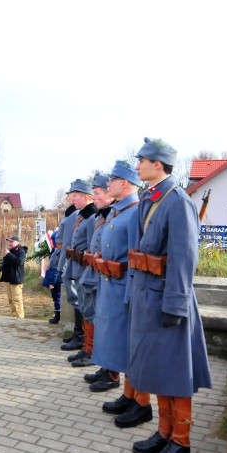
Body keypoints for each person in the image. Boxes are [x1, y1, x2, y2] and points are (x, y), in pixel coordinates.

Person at [127, 137, 212, 453]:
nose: (138, 166)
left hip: (167, 298)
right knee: (160, 369)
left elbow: (184, 257)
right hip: (149, 296)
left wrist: (175, 305)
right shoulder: (152, 197)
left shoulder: (177, 201)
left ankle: (181, 441)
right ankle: (163, 432)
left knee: (176, 373)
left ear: (157, 165)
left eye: (142, 161)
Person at [91, 160, 152, 428]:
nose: (109, 185)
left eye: (112, 181)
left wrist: (131, 295)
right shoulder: (119, 211)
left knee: (132, 348)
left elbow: (136, 259)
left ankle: (141, 401)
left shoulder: (135, 212)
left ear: (124, 184)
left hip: (124, 288)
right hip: (110, 285)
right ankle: (128, 394)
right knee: (120, 344)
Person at [68, 174, 114, 369]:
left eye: (97, 193)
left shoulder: (107, 215)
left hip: (98, 272)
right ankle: (88, 348)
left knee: (94, 313)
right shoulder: (98, 216)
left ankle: (93, 352)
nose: (95, 198)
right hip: (89, 271)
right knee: (88, 310)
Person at [60, 179, 97, 352]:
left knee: (83, 304)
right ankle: (78, 334)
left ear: (87, 197)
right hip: (75, 266)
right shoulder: (81, 216)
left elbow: (91, 247)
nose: (73, 199)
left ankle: (83, 338)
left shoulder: (90, 218)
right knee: (77, 301)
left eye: (76, 196)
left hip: (82, 267)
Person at [46, 192, 77, 324]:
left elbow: (67, 242)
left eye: (69, 195)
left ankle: (67, 322)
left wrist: (61, 267)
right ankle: (59, 315)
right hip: (58, 255)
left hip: (62, 257)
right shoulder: (70, 214)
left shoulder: (74, 215)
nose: (66, 198)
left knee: (60, 289)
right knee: (55, 289)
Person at [0, 235, 28, 317]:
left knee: (17, 299)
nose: (10, 243)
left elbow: (19, 262)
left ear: (17, 242)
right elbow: (8, 262)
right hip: (9, 278)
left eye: (12, 242)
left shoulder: (21, 251)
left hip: (16, 278)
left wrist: (9, 255)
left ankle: (20, 317)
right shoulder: (11, 251)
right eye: (9, 242)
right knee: (10, 299)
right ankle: (14, 315)